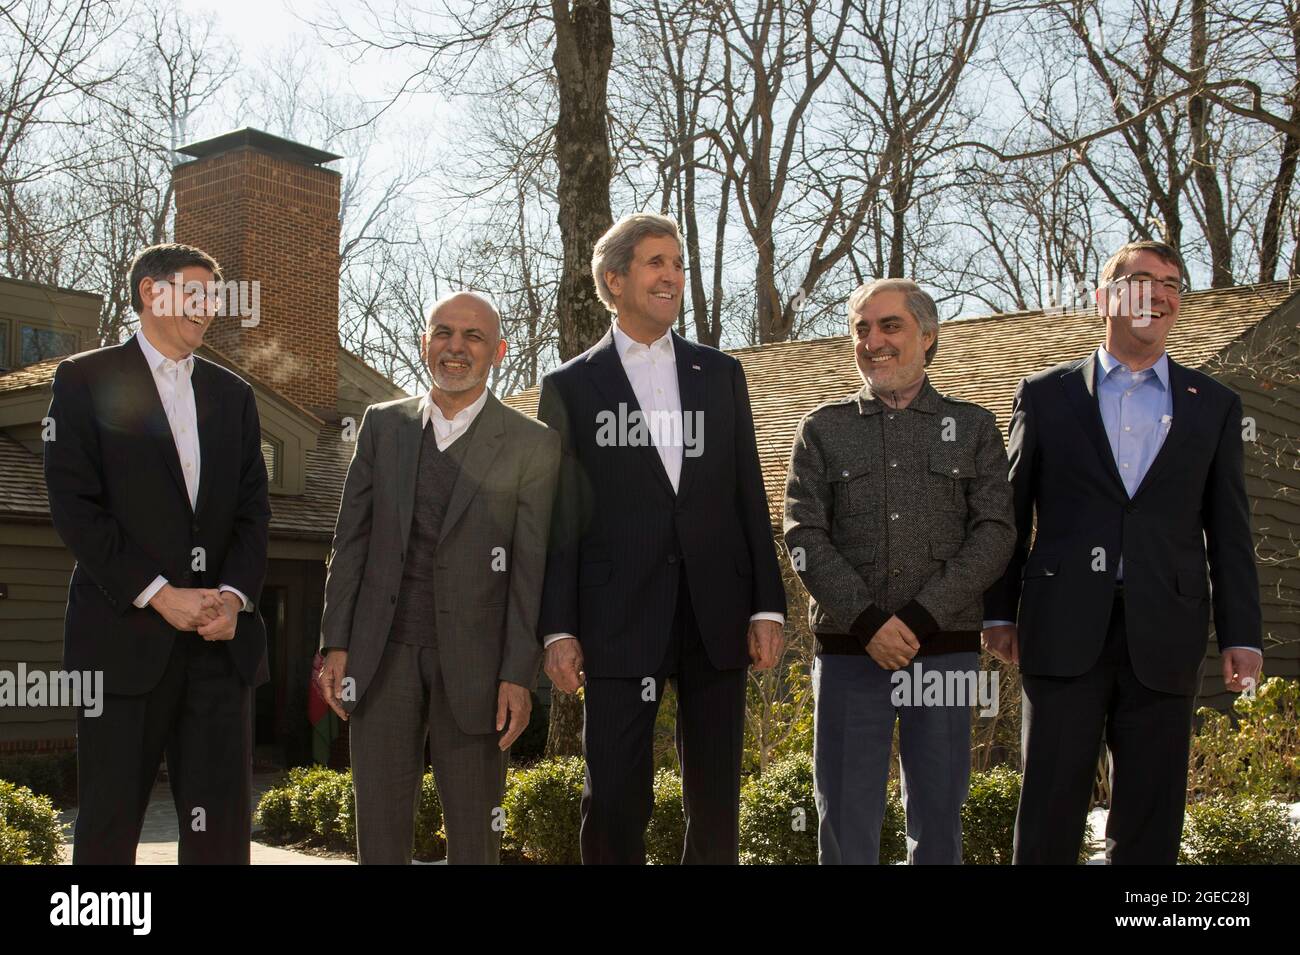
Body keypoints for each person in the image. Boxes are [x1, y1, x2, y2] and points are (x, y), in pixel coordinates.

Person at [983, 240, 1264, 864]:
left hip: (1166, 630)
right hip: (1060, 629)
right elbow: (1010, 512)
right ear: (1105, 297)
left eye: (1173, 283)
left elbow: (1230, 528)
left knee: (1150, 818)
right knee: (1051, 809)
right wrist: (999, 612)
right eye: (1144, 279)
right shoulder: (1047, 396)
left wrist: (1243, 633)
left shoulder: (1214, 405)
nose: (1162, 293)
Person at [537, 212, 787, 864]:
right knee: (616, 796)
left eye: (677, 263)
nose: (672, 275)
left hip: (716, 612)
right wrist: (557, 627)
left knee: (716, 801)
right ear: (614, 279)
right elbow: (556, 517)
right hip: (617, 616)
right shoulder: (569, 385)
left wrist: (765, 605)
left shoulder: (720, 374)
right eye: (656, 262)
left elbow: (747, 495)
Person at [44, 242, 270, 864]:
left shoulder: (235, 397)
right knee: (110, 825)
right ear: (151, 291)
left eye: (215, 301)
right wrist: (160, 595)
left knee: (220, 834)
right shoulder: (84, 380)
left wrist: (234, 597)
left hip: (220, 651)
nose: (208, 311)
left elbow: (255, 514)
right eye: (196, 295)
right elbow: (75, 507)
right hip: (122, 644)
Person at [318, 291, 559, 864]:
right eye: (444, 333)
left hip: (478, 670)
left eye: (473, 336)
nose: (456, 347)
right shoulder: (382, 426)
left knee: (476, 840)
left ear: (497, 350)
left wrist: (517, 672)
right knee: (378, 834)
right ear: (425, 344)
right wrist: (336, 642)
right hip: (382, 657)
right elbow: (349, 542)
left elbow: (531, 569)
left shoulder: (532, 443)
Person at [784, 278, 1015, 863]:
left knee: (939, 818)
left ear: (928, 336)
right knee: (843, 814)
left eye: (890, 326)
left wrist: (915, 618)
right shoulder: (823, 429)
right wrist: (867, 622)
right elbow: (803, 534)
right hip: (847, 650)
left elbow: (995, 534)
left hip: (944, 650)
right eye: (861, 328)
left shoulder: (974, 427)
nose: (873, 340)